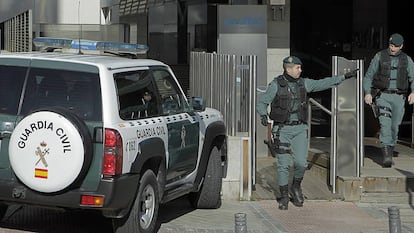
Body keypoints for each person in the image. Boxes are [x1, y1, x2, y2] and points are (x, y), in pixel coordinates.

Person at [256, 56, 358, 210]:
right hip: (282, 130)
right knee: (283, 164)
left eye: (300, 68)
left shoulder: (304, 83)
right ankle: (283, 196)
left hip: (300, 129)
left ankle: (295, 187)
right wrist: (263, 115)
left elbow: (323, 83)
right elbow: (262, 102)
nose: (300, 70)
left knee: (301, 163)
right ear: (288, 68)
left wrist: (343, 77)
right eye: (298, 68)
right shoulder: (276, 85)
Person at [363, 33, 414, 168]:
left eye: (396, 46)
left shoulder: (407, 60)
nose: (393, 48)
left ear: (401, 46)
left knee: (394, 127)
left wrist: (413, 92)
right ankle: (387, 156)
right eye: (391, 45)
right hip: (383, 96)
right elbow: (368, 76)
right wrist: (368, 93)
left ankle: (390, 148)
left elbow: (413, 77)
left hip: (399, 97)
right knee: (385, 123)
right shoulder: (380, 56)